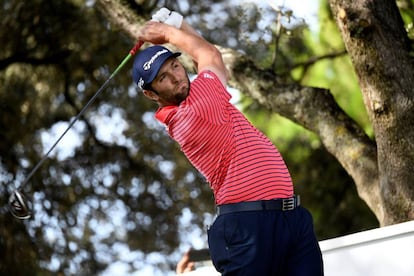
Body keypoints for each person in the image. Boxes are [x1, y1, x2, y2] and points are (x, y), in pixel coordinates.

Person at [133, 7, 324, 275]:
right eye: (163, 77)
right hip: (248, 226)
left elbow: (215, 61)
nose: (176, 76)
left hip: (290, 217)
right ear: (152, 95)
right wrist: (168, 32)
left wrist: (178, 24)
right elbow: (209, 55)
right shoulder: (191, 115)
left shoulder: (199, 94)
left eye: (175, 65)